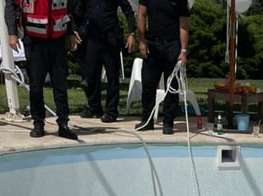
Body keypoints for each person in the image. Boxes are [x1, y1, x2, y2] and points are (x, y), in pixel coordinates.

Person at [5, 0, 80, 140]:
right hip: (34, 41)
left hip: (58, 40)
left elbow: (69, 10)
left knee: (60, 85)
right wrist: (12, 33)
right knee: (36, 86)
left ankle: (63, 123)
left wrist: (71, 32)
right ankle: (38, 123)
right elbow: (10, 6)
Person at [73, 0, 137, 123]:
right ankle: (94, 107)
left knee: (112, 75)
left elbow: (128, 11)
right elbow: (78, 12)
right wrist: (74, 30)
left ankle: (111, 111)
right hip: (93, 37)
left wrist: (131, 33)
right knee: (91, 74)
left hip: (110, 36)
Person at [136, 0, 190, 134]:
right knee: (148, 84)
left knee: (171, 86)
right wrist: (142, 41)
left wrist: (183, 51)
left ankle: (168, 122)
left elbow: (183, 25)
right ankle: (147, 120)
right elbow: (141, 15)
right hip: (152, 44)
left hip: (172, 45)